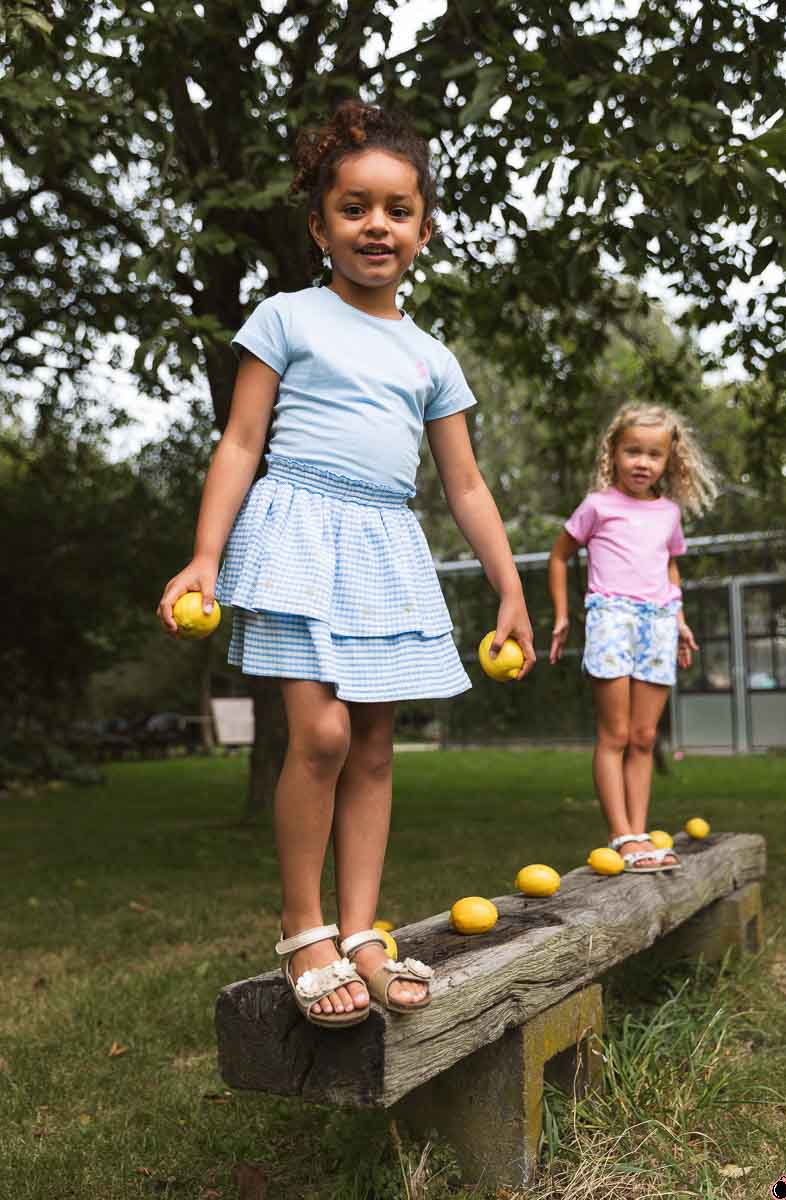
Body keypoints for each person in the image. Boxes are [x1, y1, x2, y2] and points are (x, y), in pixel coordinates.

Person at [157, 100, 535, 1027]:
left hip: (383, 546)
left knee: (371, 745)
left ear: (424, 231)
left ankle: (363, 930)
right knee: (320, 736)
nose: (376, 226)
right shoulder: (287, 317)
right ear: (320, 226)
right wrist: (205, 556)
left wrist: (511, 587)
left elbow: (466, 485)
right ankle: (304, 929)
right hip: (296, 534)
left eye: (398, 210)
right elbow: (241, 441)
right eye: (354, 207)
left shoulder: (430, 356)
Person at [548, 403, 717, 872]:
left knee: (643, 736)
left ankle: (639, 834)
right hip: (611, 620)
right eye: (632, 452)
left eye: (653, 454)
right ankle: (620, 833)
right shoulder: (597, 506)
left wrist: (679, 619)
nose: (642, 462)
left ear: (669, 460)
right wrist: (562, 616)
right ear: (614, 453)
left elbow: (669, 566)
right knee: (616, 735)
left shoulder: (668, 514)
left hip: (658, 623)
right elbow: (559, 556)